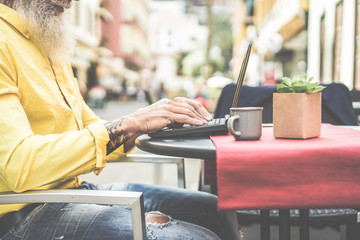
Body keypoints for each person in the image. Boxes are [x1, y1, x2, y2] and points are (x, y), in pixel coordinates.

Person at [0, 0, 242, 239]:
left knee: (215, 210)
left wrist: (151, 122)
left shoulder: (46, 41)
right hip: (24, 213)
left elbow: (94, 128)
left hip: (71, 193)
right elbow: (19, 165)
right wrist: (132, 122)